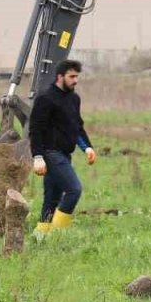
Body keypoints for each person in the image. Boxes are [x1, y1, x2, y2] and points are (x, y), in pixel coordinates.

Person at [29, 59, 97, 233]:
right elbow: (35, 130)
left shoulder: (74, 99)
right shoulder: (45, 98)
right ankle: (57, 235)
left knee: (51, 199)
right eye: (72, 76)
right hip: (50, 153)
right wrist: (37, 157)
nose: (75, 80)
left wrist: (87, 147)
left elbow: (77, 126)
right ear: (60, 76)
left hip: (65, 154)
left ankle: (40, 237)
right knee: (74, 190)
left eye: (77, 76)